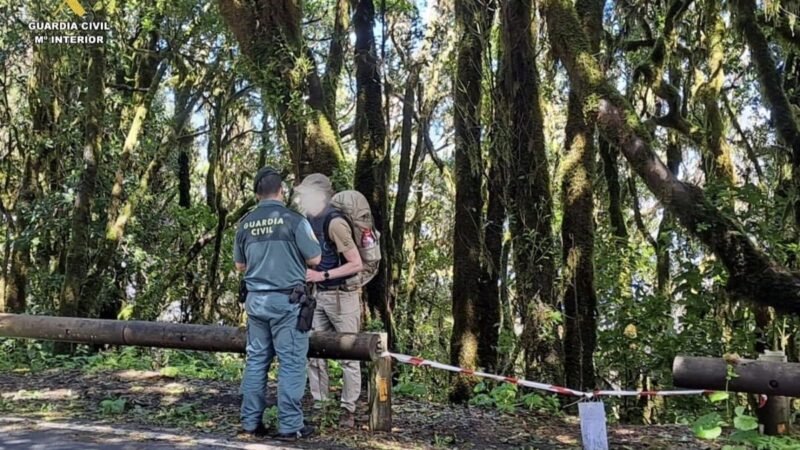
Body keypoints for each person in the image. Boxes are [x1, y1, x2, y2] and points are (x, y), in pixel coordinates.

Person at [234, 167, 321, 440]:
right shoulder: (294, 220)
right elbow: (315, 259)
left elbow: (240, 265)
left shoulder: (245, 223)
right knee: (291, 362)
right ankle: (290, 425)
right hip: (288, 302)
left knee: (256, 361)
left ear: (256, 194)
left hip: (255, 302)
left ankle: (250, 423)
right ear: (281, 191)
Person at [294, 173, 364, 429]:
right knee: (314, 352)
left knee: (349, 356)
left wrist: (322, 275)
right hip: (319, 295)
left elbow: (356, 263)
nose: (301, 198)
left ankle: (348, 409)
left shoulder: (335, 223)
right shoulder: (307, 220)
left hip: (343, 296)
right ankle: (320, 405)